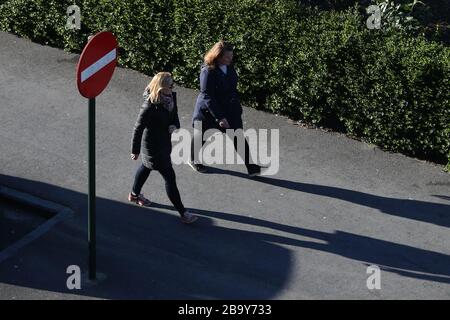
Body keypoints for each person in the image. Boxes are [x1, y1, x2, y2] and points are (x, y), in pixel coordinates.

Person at [129, 72, 198, 224]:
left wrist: (175, 126)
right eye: (170, 86)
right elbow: (138, 128)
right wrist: (135, 150)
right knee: (170, 178)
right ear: (161, 88)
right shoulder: (149, 106)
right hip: (152, 147)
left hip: (164, 143)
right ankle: (183, 213)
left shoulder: (171, 97)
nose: (173, 88)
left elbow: (175, 116)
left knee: (146, 167)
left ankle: (134, 194)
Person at [189, 40, 262, 176]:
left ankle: (251, 167)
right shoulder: (208, 71)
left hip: (230, 109)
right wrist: (220, 117)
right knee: (201, 135)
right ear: (217, 56)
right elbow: (207, 96)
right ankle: (193, 159)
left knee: (237, 136)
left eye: (231, 56)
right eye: (227, 57)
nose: (230, 59)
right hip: (209, 111)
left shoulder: (229, 66)